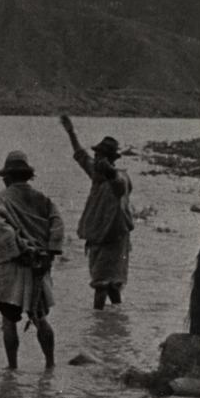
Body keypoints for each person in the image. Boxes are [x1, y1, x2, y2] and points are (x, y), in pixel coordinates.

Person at [0, 151, 64, 370]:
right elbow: (58, 225)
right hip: (39, 268)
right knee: (40, 318)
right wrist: (49, 252)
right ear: (28, 176)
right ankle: (50, 365)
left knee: (8, 320)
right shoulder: (44, 200)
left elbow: (0, 228)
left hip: (14, 266)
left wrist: (20, 249)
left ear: (7, 177)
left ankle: (12, 367)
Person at [59, 115, 134, 310]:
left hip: (115, 237)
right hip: (100, 237)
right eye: (97, 155)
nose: (97, 158)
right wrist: (70, 132)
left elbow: (119, 185)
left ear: (110, 160)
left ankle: (99, 320)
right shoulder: (96, 174)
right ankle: (115, 319)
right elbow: (80, 155)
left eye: (101, 156)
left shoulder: (120, 178)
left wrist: (110, 173)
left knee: (103, 283)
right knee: (109, 284)